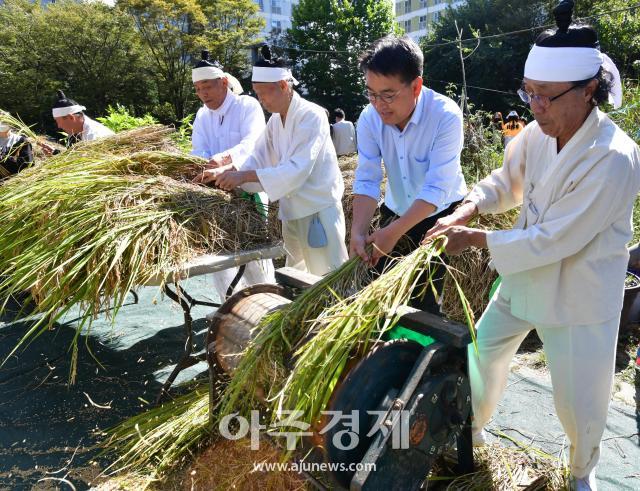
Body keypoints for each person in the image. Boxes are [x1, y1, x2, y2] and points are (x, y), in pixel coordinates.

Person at [423, 2, 639, 489]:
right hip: (523, 276)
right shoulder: (539, 133)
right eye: (529, 94)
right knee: (483, 354)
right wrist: (470, 205)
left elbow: (558, 238)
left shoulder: (615, 157)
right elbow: (506, 181)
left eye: (545, 97)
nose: (534, 107)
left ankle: (582, 473)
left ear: (587, 91)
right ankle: (469, 437)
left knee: (578, 399)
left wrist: (477, 237)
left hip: (578, 293)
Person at [198, 46, 348, 276]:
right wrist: (226, 171)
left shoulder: (312, 115)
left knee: (327, 281)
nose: (261, 100)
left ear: (283, 86)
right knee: (296, 279)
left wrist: (242, 176)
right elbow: (257, 158)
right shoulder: (275, 122)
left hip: (318, 212)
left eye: (264, 93)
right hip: (291, 212)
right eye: (257, 93)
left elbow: (297, 169)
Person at [350, 35, 467, 314]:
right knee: (384, 299)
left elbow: (437, 188)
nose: (379, 104)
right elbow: (367, 178)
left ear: (416, 86)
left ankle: (423, 355)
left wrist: (392, 232)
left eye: (388, 95)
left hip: (440, 214)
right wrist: (357, 230)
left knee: (427, 304)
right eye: (371, 93)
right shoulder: (369, 118)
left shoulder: (445, 115)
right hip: (395, 209)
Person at [190, 50, 274, 297]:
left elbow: (253, 142)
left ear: (224, 82)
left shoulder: (247, 105)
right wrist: (205, 165)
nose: (202, 93)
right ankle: (230, 307)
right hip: (216, 195)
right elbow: (198, 150)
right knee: (220, 256)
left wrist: (225, 158)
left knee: (255, 255)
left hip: (248, 191)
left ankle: (266, 301)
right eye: (197, 88)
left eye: (207, 86)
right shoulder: (202, 115)